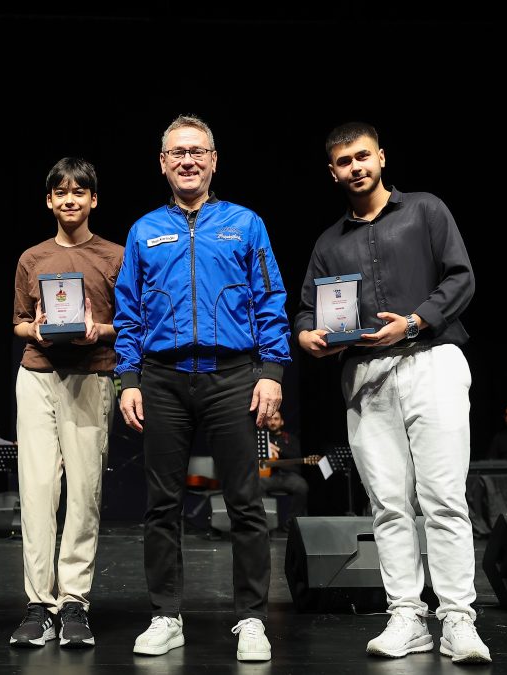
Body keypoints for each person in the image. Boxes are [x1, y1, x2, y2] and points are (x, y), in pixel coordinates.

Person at [294, 122, 490, 664]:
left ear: (381, 156)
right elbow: (308, 309)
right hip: (365, 374)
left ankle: (458, 620)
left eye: (362, 156)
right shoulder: (328, 242)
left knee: (445, 499)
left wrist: (413, 322)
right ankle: (407, 615)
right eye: (343, 162)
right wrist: (308, 334)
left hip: (432, 360)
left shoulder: (426, 209)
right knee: (387, 505)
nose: (355, 167)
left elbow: (461, 278)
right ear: (331, 172)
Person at [114, 115, 289, 662]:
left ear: (214, 160)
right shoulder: (144, 230)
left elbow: (269, 298)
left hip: (233, 375)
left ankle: (252, 619)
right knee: (162, 504)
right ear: (162, 163)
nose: (187, 161)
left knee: (245, 503)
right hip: (163, 379)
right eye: (176, 153)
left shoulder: (246, 224)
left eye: (197, 151)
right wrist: (128, 378)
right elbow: (128, 311)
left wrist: (272, 371)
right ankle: (166, 615)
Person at [9, 157, 122, 650]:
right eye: (61, 192)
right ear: (49, 200)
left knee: (83, 494)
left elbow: (135, 323)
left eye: (80, 191)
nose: (70, 199)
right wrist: (31, 328)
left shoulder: (115, 256)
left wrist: (101, 329)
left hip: (91, 375)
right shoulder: (31, 258)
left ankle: (74, 601)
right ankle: (39, 604)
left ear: (93, 199)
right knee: (36, 493)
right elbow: (16, 322)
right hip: (37, 374)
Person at [258, 409, 310, 531]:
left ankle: (290, 524)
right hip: (268, 476)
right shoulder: (262, 439)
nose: (273, 422)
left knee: (302, 487)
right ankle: (264, 523)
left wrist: (279, 450)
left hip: (288, 476)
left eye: (276, 419)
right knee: (254, 486)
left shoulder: (290, 439)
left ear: (281, 422)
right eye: (270, 419)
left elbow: (297, 455)